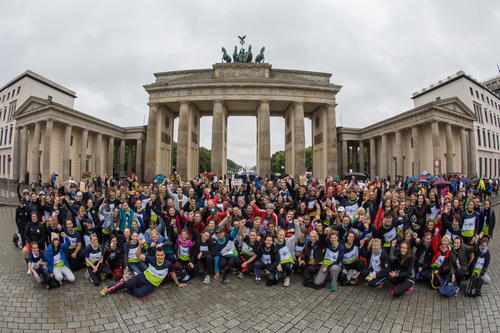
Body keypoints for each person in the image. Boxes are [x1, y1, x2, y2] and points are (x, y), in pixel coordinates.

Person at [100, 246, 187, 300]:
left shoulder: (168, 264)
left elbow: (172, 273)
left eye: (161, 255)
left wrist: (178, 283)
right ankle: (108, 289)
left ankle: (127, 289)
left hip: (152, 284)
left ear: (164, 255)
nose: (160, 257)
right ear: (155, 255)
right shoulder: (151, 259)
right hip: (143, 277)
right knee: (125, 282)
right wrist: (139, 246)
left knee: (141, 295)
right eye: (158, 255)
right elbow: (138, 255)